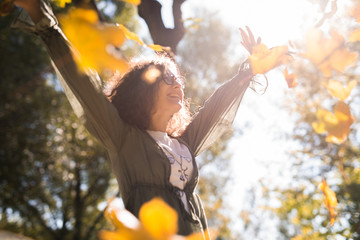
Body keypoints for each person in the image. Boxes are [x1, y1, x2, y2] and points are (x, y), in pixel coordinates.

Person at [12, 0, 257, 238]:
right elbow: (84, 84)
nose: (179, 87)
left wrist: (250, 70)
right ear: (144, 88)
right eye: (169, 79)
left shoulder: (185, 144)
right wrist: (47, 25)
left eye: (179, 81)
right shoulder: (123, 137)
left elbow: (216, 108)